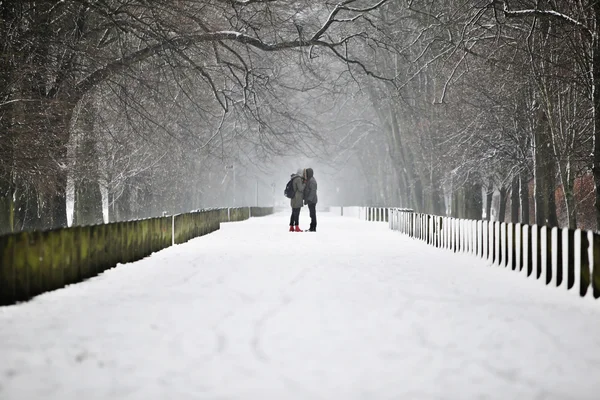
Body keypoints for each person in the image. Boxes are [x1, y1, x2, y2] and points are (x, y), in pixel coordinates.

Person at [303, 167, 318, 232]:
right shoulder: (310, 180)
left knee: (312, 214)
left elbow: (313, 191)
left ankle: (313, 227)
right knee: (311, 214)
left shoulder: (312, 181)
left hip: (312, 200)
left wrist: (309, 199)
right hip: (311, 200)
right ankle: (312, 227)